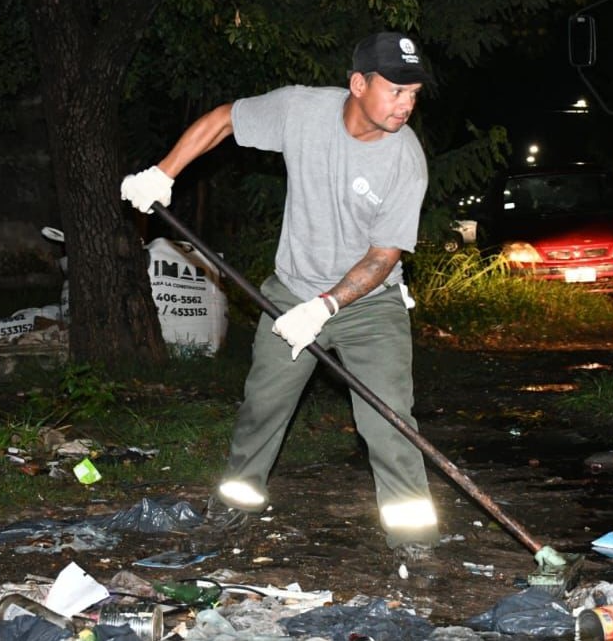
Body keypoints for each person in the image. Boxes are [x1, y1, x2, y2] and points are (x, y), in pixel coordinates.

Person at [120, 32, 442, 567]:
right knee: (262, 407)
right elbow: (224, 119)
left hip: (367, 306)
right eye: (395, 91)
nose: (406, 105)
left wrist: (327, 307)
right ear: (358, 84)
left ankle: (412, 537)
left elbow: (383, 256)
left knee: (389, 420)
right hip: (291, 290)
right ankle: (237, 504)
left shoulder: (405, 160)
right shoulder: (301, 111)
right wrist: (163, 172)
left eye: (414, 93)